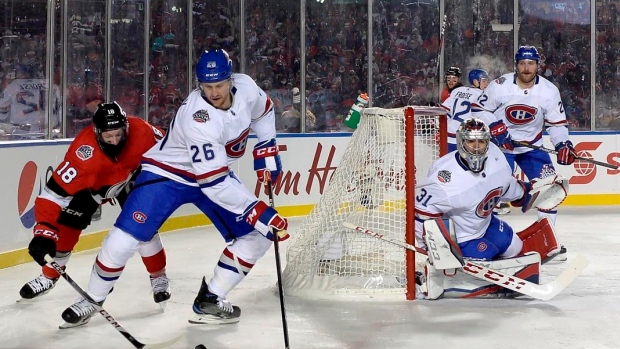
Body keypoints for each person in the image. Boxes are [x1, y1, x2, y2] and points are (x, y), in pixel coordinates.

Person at [60, 48, 288, 327]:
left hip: (216, 174)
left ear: (231, 80)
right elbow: (213, 183)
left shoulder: (247, 87)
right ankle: (92, 299)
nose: (214, 92)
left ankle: (211, 298)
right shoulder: (198, 117)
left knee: (257, 237)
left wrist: (266, 146)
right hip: (169, 174)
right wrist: (256, 210)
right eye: (207, 86)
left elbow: (264, 111)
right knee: (122, 240)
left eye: (219, 85)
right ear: (198, 84)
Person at [21, 102, 170, 314]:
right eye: (108, 136)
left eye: (119, 134)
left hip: (130, 178)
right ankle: (49, 276)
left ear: (126, 127)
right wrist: (43, 233)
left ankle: (159, 277)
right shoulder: (82, 155)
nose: (115, 140)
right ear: (96, 132)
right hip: (93, 189)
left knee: (142, 228)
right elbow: (52, 195)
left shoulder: (142, 130)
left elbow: (170, 142)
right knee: (66, 228)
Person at [414, 118, 562, 299]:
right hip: (463, 238)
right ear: (461, 142)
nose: (476, 148)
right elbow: (421, 212)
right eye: (470, 142)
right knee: (480, 267)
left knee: (516, 248)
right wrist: (431, 250)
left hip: (486, 224)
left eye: (481, 142)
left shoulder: (496, 155)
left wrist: (530, 193)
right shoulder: (444, 179)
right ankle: (455, 284)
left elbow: (507, 187)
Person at [471, 46, 576, 249]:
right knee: (491, 192)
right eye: (522, 63)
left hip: (532, 147)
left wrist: (563, 143)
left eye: (531, 64)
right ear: (516, 65)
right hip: (501, 148)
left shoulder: (548, 91)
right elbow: (478, 109)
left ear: (538, 66)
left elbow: (557, 124)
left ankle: (548, 241)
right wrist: (494, 126)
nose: (526, 68)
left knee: (550, 190)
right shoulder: (499, 85)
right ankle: (484, 237)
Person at [441, 68, 490, 152]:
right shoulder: (481, 95)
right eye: (484, 81)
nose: (487, 84)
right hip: (466, 136)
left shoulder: (457, 90)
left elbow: (443, 110)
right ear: (475, 82)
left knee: (447, 163)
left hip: (448, 134)